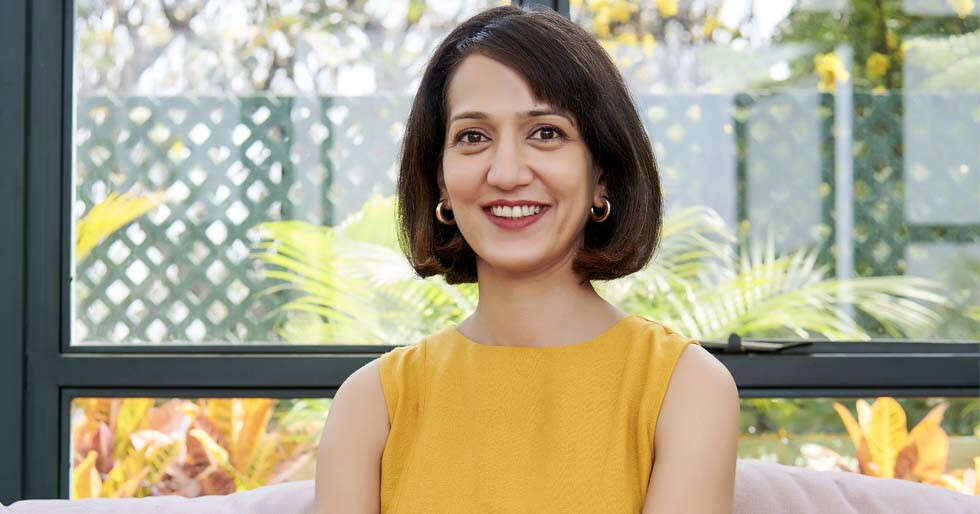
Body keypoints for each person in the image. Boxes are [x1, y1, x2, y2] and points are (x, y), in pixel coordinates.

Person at [315, 4, 738, 513]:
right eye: (473, 137)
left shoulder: (686, 388)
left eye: (546, 133)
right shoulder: (371, 404)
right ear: (441, 181)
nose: (507, 173)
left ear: (601, 174)